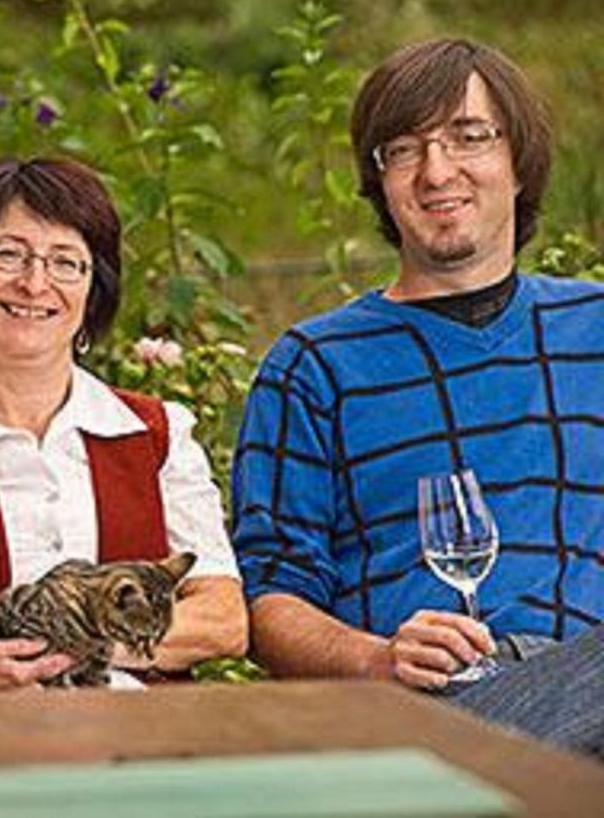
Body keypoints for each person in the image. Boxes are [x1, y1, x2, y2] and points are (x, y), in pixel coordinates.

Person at [232, 37, 603, 756]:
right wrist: (378, 659)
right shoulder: (313, 367)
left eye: (469, 137)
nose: (437, 171)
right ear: (381, 184)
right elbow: (269, 604)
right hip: (430, 716)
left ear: (519, 162)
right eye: (403, 149)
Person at [0, 157, 247, 693]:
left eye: (65, 263)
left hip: (143, 752)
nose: (35, 283)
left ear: (91, 291)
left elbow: (224, 621)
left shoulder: (158, 434)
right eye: (9, 254)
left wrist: (76, 643)